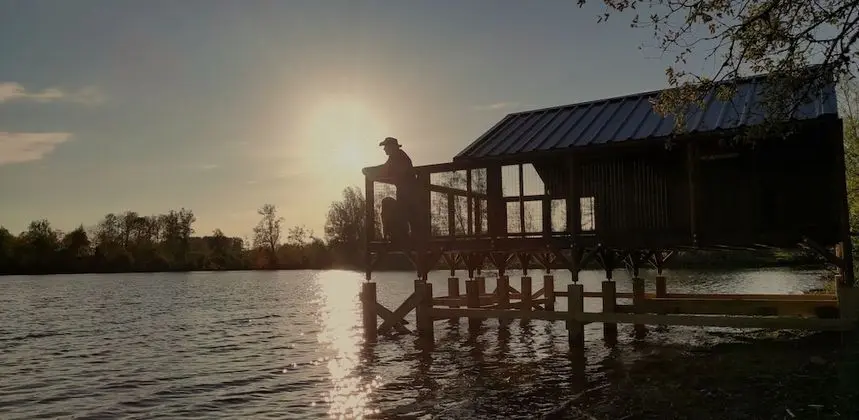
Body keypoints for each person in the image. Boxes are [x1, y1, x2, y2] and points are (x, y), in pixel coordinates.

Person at [363, 137, 422, 241]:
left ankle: (398, 236)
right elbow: (387, 169)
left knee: (388, 204)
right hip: (407, 199)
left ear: (392, 147)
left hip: (410, 200)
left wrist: (368, 171)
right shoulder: (397, 157)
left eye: (386, 146)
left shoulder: (398, 157)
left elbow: (386, 169)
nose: (384, 149)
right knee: (393, 208)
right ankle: (399, 235)